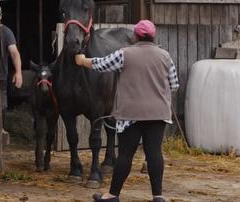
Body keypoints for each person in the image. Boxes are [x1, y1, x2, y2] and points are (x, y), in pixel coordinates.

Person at [75, 20, 179, 202]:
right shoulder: (165, 56)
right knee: (154, 154)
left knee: (125, 155)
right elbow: (175, 84)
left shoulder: (125, 54)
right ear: (153, 36)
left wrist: (83, 61)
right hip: (158, 113)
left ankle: (113, 195)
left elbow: (101, 64)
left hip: (131, 114)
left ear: (135, 36)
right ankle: (158, 196)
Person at [0, 6, 23, 144]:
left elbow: (14, 52)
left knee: (1, 105)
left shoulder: (6, 32)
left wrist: (18, 72)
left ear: (0, 16)